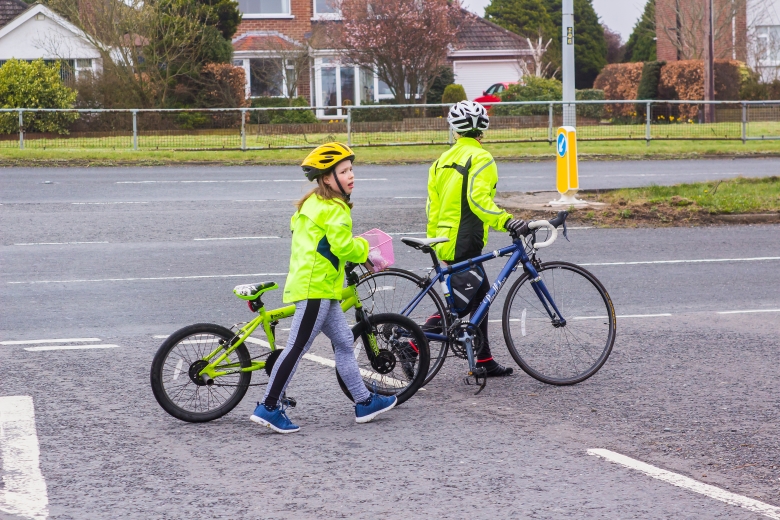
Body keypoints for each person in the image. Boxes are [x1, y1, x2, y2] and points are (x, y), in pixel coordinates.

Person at [250, 142, 397, 433]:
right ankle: (268, 406)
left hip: (320, 287)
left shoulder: (312, 203)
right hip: (315, 289)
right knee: (297, 348)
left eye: (351, 169)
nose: (351, 175)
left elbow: (324, 245)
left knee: (344, 343)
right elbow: (343, 247)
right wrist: (365, 249)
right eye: (343, 171)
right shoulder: (335, 209)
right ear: (327, 178)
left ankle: (364, 402)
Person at [425, 101, 526, 377]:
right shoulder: (481, 158)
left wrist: (435, 240)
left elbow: (432, 207)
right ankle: (413, 343)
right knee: (464, 303)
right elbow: (478, 199)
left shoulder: (440, 161)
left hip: (445, 238)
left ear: (455, 130)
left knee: (481, 296)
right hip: (466, 238)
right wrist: (506, 220)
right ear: (483, 130)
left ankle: (484, 359)